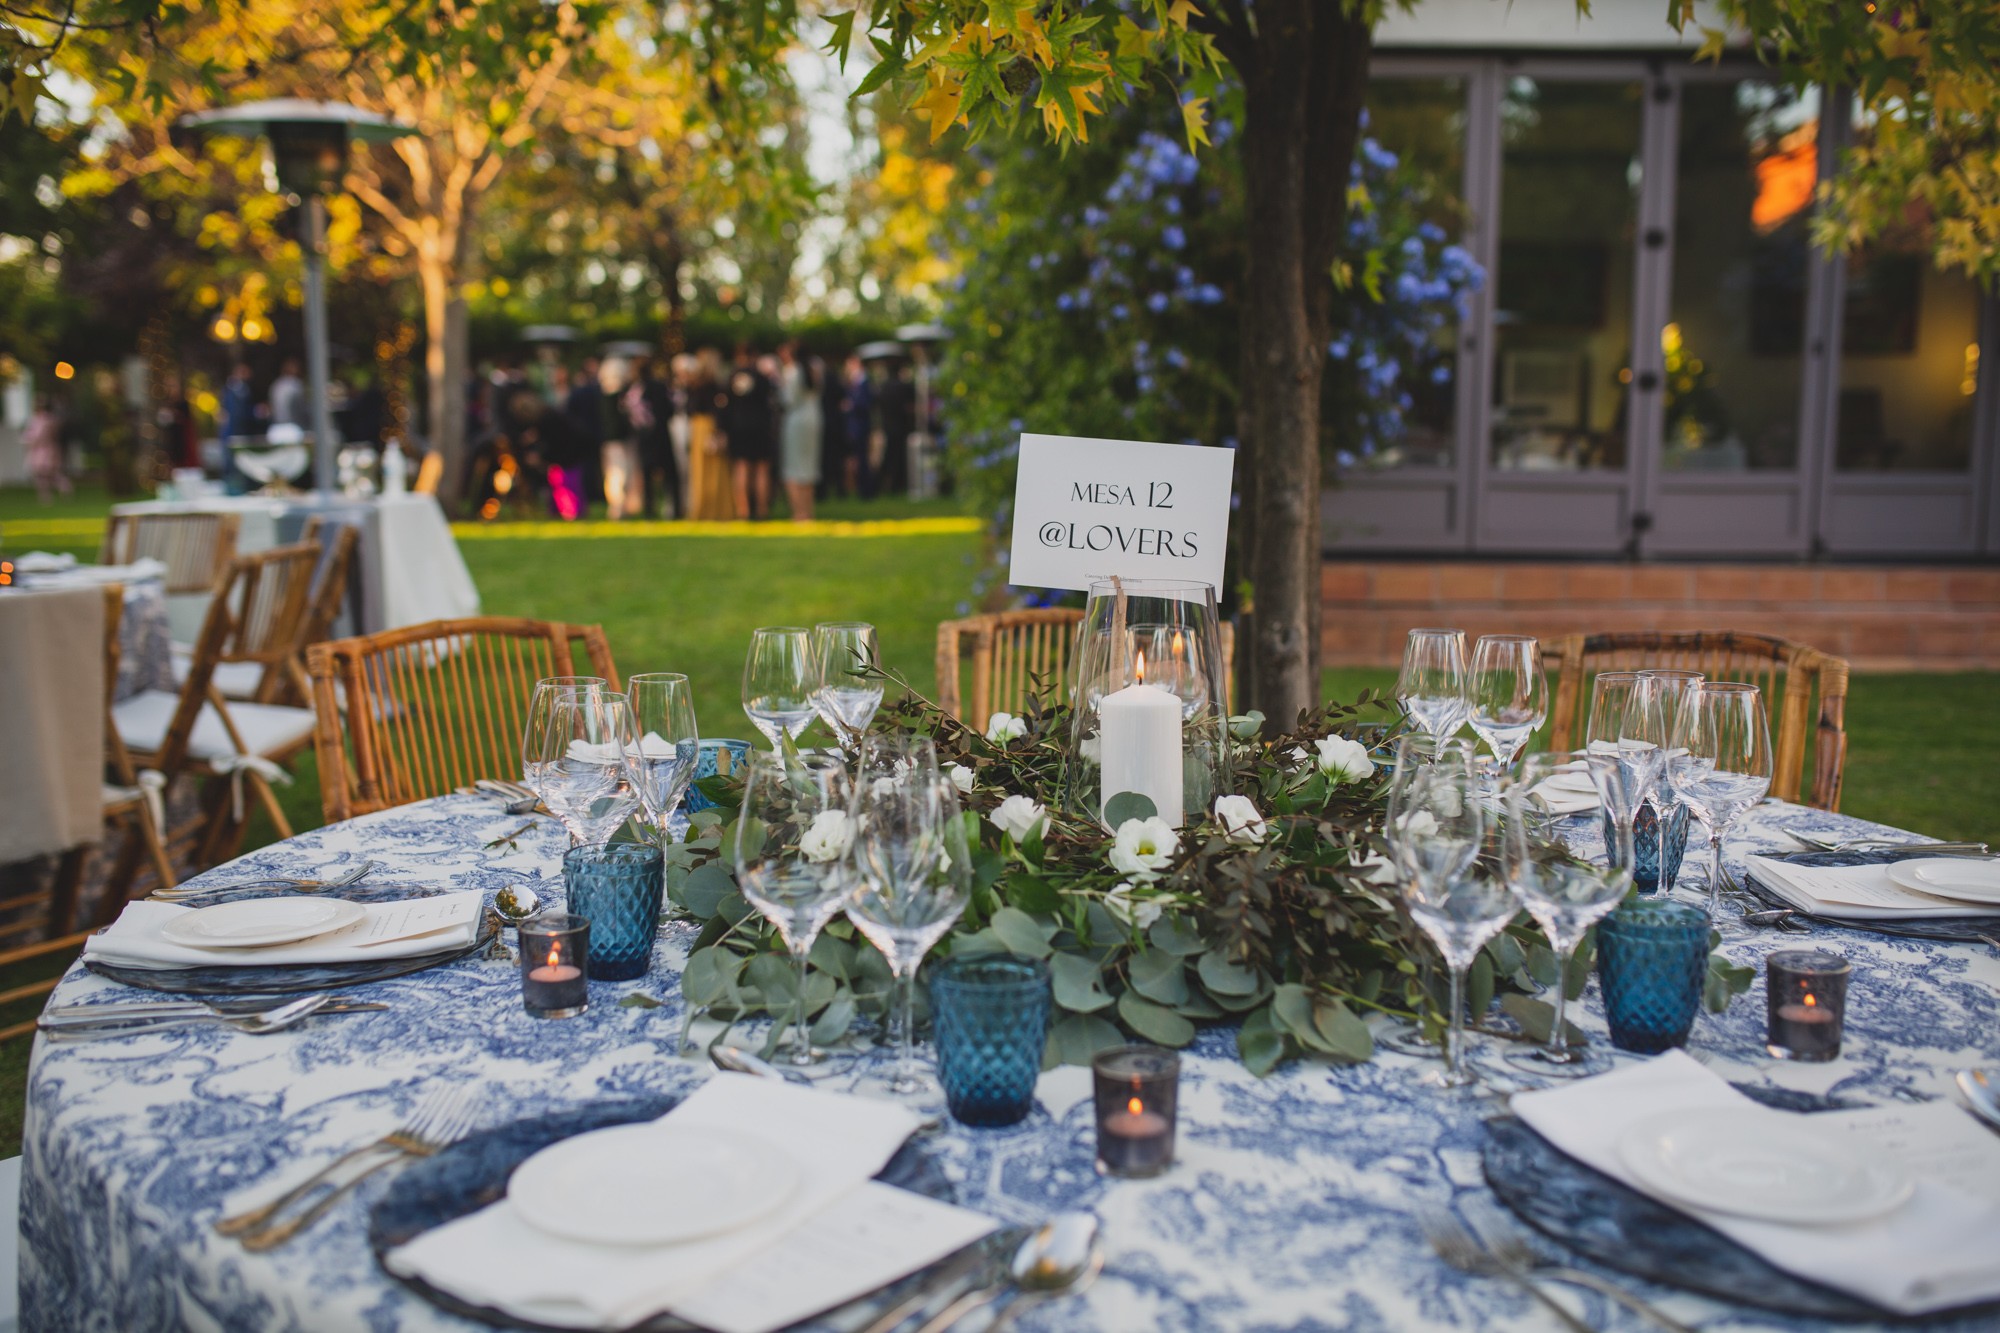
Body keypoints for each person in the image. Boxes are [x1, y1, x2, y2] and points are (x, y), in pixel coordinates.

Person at [720, 342, 775, 521]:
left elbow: (725, 405)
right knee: (761, 468)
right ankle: (761, 509)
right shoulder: (761, 377)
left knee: (741, 468)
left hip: (738, 427)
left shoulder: (732, 377)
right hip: (760, 427)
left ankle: (742, 510)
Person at [684, 349, 735, 520]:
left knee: (701, 470)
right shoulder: (714, 385)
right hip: (709, 427)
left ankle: (703, 509)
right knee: (714, 470)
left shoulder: (695, 384)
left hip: (699, 428)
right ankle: (716, 510)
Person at [777, 341, 823, 522]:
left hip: (796, 421)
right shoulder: (815, 369)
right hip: (814, 419)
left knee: (794, 467)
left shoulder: (792, 371)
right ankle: (808, 511)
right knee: (809, 466)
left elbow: (788, 400)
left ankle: (798, 513)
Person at [597, 356, 643, 521]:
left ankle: (623, 506)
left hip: (619, 439)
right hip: (616, 440)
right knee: (619, 473)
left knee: (623, 473)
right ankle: (617, 506)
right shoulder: (612, 394)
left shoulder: (615, 393)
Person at [563, 358, 604, 515]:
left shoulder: (578, 392)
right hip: (592, 433)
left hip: (582, 434)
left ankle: (589, 494)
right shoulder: (595, 391)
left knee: (587, 467)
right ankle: (594, 494)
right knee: (592, 467)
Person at [23, 394, 70, 504]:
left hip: (43, 450)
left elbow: (36, 436)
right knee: (49, 474)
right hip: (48, 449)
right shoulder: (48, 420)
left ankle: (50, 496)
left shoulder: (43, 420)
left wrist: (29, 441)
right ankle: (58, 492)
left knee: (45, 474)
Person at [219, 363, 257, 494]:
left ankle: (239, 490)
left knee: (241, 463)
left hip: (238, 432)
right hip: (233, 432)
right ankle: (233, 491)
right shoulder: (232, 390)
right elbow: (236, 414)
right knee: (231, 464)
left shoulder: (240, 389)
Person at [839, 354, 873, 499]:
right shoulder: (853, 382)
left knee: (862, 458)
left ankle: (865, 490)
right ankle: (859, 488)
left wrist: (850, 406)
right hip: (855, 425)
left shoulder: (864, 382)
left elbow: (864, 404)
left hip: (860, 426)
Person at [268, 358, 305, 429]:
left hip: (277, 425)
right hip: (293, 426)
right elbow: (300, 407)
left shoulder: (276, 384)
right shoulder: (295, 384)